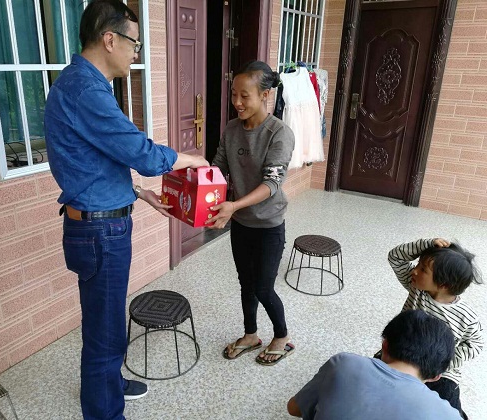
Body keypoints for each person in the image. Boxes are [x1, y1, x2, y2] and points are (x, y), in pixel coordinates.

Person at [44, 1, 208, 419]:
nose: (136, 52)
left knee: (105, 320)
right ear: (109, 39)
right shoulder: (87, 90)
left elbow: (93, 163)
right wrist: (190, 159)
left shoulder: (80, 84)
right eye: (134, 43)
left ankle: (110, 385)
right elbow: (141, 153)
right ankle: (105, 410)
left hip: (96, 226)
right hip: (100, 233)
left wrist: (136, 192)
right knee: (106, 334)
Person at [207, 60, 295, 366]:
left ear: (264, 95)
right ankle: (250, 335)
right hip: (242, 223)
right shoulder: (232, 129)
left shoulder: (279, 133)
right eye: (234, 94)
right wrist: (194, 185)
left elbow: (272, 183)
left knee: (263, 287)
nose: (237, 102)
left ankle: (282, 337)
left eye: (244, 96)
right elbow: (217, 167)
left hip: (269, 224)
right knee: (246, 282)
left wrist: (233, 205)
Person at [287, 310, 462, 420]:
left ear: (385, 345)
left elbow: (294, 408)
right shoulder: (449, 416)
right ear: (435, 377)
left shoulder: (344, 364)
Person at [385, 237, 483, 418]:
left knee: (448, 410)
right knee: (376, 379)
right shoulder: (417, 287)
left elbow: (475, 344)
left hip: (440, 373)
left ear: (443, 284)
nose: (414, 270)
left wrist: (443, 363)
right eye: (418, 264)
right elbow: (395, 257)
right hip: (402, 354)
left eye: (423, 269)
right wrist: (426, 245)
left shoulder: (466, 316)